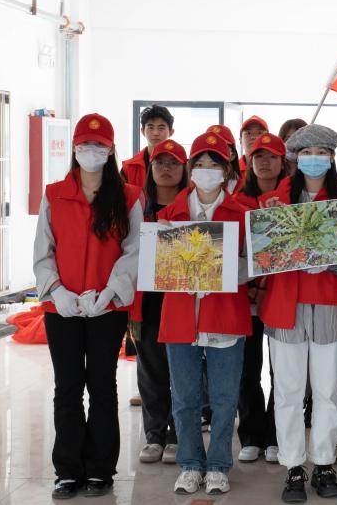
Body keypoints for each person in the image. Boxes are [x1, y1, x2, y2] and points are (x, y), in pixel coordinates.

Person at [33, 113, 142, 499]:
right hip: (61, 308)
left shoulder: (128, 196)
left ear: (110, 150)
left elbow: (134, 250)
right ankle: (67, 470)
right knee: (66, 388)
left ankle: (100, 470)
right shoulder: (54, 194)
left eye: (98, 145)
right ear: (74, 148)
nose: (90, 150)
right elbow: (43, 249)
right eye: (84, 144)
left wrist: (111, 292)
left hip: (106, 309)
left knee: (102, 386)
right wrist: (56, 291)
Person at [258, 124, 337, 503]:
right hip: (286, 304)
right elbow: (261, 255)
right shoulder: (274, 201)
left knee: (329, 389)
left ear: (331, 158)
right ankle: (293, 466)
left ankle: (325, 462)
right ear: (295, 158)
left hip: (330, 302)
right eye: (307, 153)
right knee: (287, 390)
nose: (314, 159)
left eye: (322, 153)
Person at [157, 132, 252, 496]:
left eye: (215, 164)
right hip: (181, 317)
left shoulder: (242, 214)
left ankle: (218, 465)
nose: (207, 170)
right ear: (190, 169)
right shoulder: (169, 216)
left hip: (225, 314)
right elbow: (155, 268)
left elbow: (254, 265)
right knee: (184, 398)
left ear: (227, 170)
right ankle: (190, 463)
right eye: (200, 163)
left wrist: (221, 270)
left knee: (225, 398)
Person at [132, 139, 188, 466]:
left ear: (184, 169)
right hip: (147, 303)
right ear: (150, 168)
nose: (166, 169)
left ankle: (178, 434)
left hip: (183, 302)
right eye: (160, 163)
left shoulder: (193, 207)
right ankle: (154, 436)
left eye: (174, 163)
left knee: (182, 372)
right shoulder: (137, 208)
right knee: (151, 371)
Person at [234, 132, 288, 465]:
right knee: (247, 370)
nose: (265, 162)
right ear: (249, 162)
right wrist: (251, 284)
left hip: (281, 298)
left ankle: (275, 435)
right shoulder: (237, 201)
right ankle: (251, 434)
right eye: (258, 156)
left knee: (282, 370)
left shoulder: (293, 200)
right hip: (246, 299)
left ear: (283, 162)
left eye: (272, 156)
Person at [122, 104, 174, 188]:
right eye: (151, 127)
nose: (155, 133)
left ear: (171, 132)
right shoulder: (129, 167)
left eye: (161, 128)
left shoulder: (181, 165)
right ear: (142, 131)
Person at [206, 124, 243, 193]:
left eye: (221, 147)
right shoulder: (192, 185)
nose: (214, 153)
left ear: (233, 155)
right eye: (210, 147)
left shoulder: (243, 190)